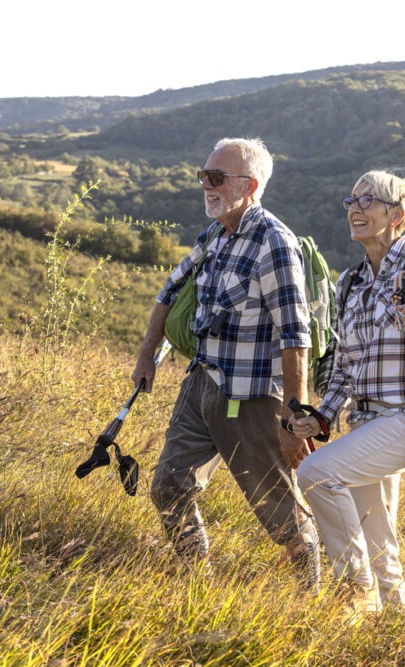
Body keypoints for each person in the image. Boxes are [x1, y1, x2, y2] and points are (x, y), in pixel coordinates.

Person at [132, 137, 320, 588]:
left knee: (280, 513)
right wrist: (145, 357)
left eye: (216, 178)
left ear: (249, 185)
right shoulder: (216, 234)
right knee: (168, 486)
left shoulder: (274, 243)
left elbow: (296, 336)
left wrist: (294, 419)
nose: (206, 186)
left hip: (252, 399)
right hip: (203, 383)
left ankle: (309, 599)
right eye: (203, 176)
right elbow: (169, 291)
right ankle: (195, 582)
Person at [289, 169, 405, 623]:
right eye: (350, 200)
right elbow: (346, 366)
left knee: (315, 474)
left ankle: (355, 587)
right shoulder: (350, 282)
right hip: (366, 423)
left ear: (398, 215)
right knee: (376, 534)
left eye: (368, 200)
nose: (354, 208)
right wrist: (322, 418)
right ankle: (396, 630)